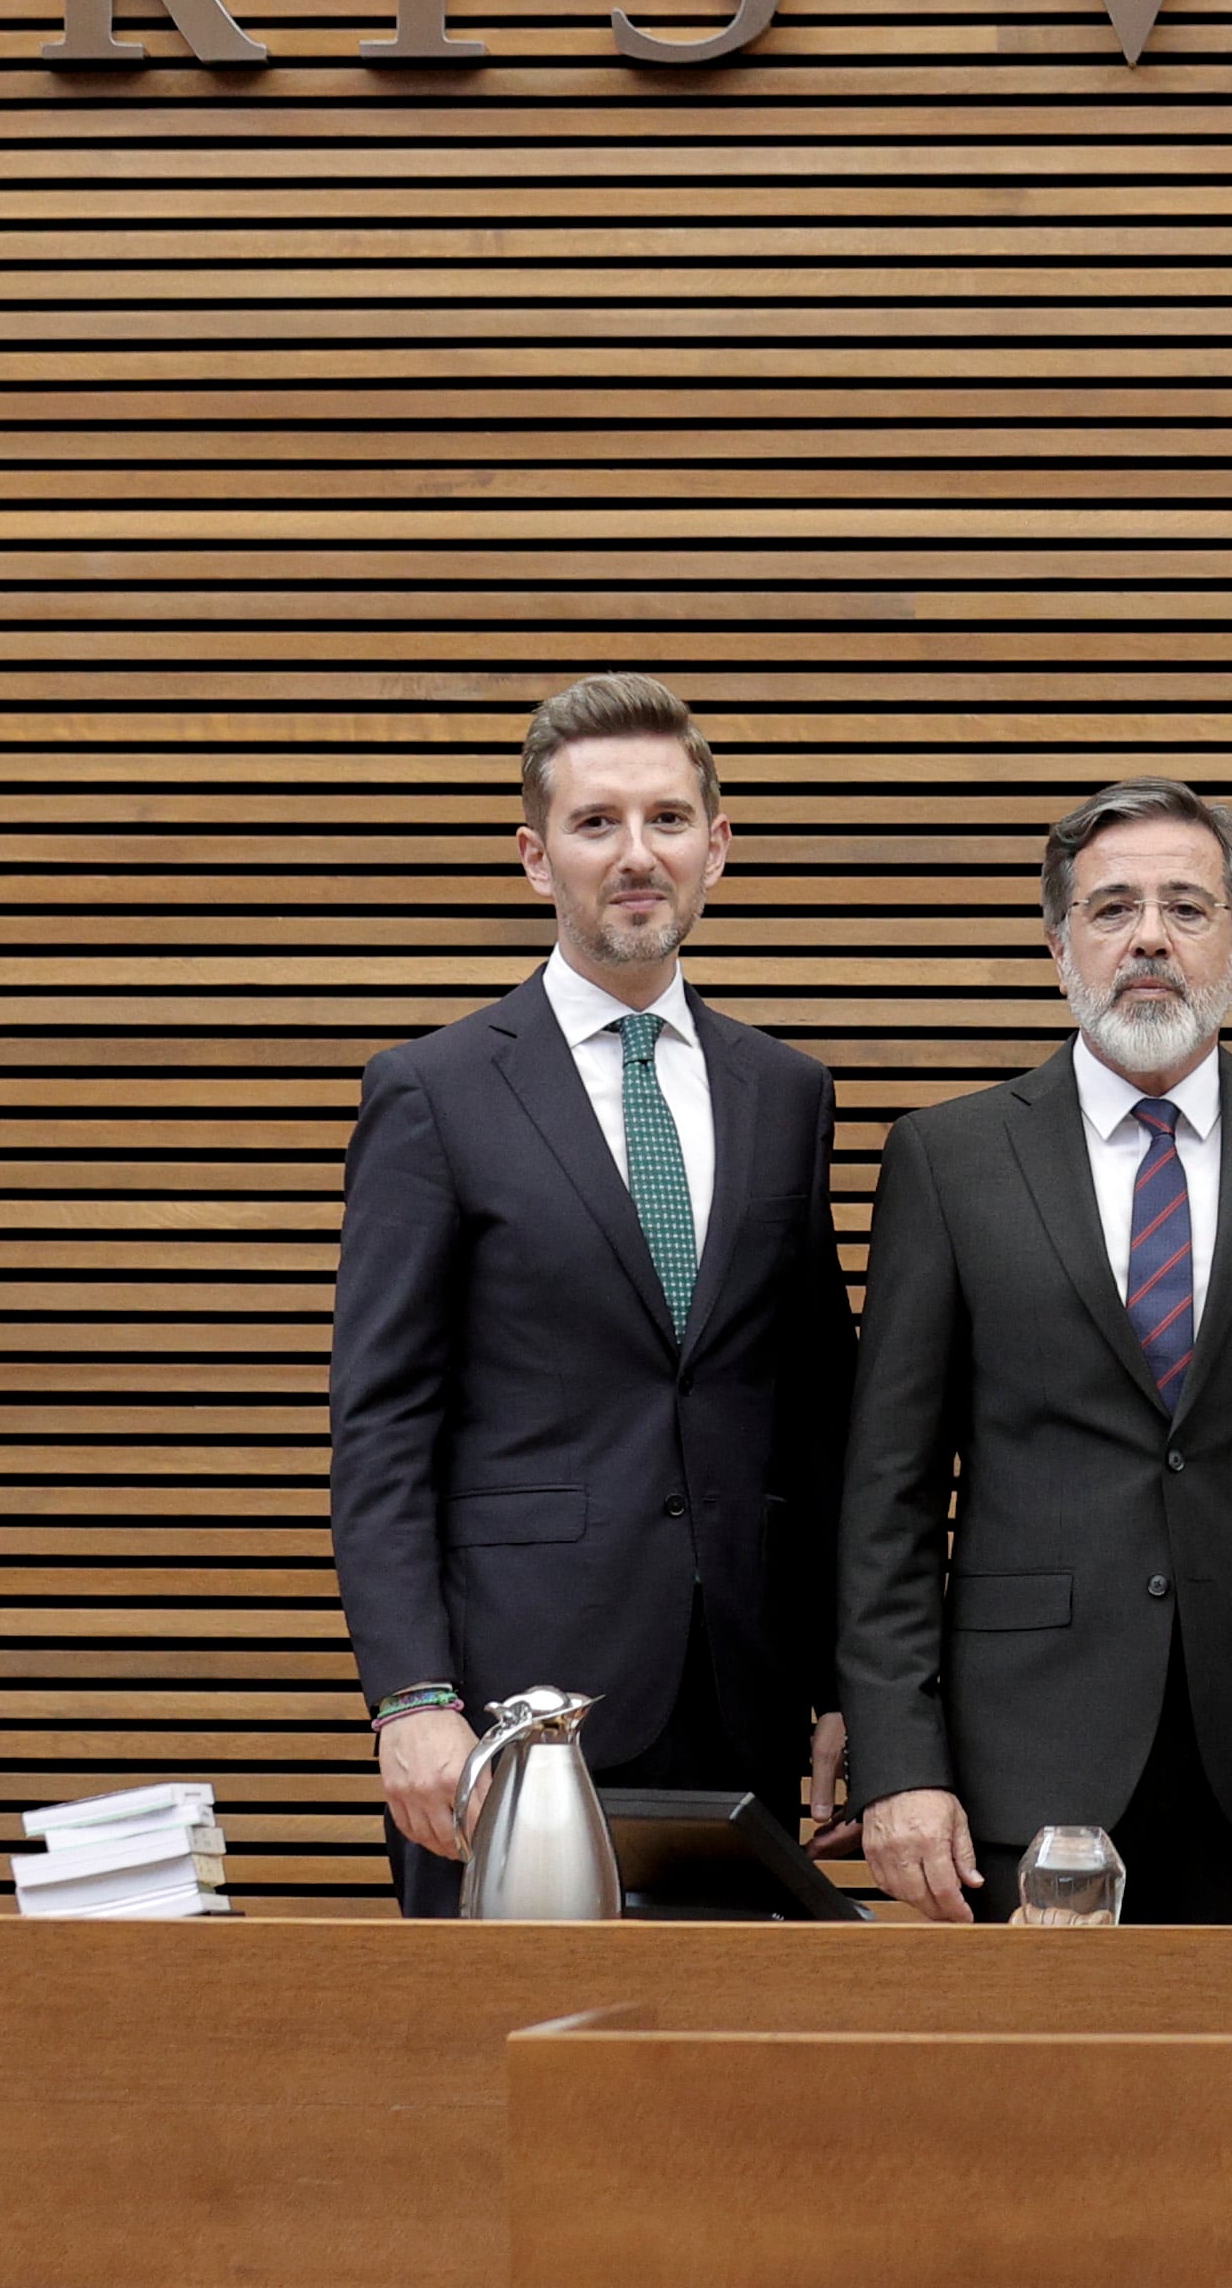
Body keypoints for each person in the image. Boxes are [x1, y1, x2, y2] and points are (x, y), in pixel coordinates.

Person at [839, 779, 1232, 1921]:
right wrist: (900, 1764)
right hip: (1026, 1751)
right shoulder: (949, 1158)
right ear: (1059, 941)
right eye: (1112, 906)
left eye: (1187, 906)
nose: (1150, 938)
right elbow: (890, 1500)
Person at [327, 673, 857, 1915]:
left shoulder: (785, 1093)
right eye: (596, 822)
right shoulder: (436, 1090)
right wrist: (411, 1698)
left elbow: (818, 1417)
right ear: (534, 854)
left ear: (717, 847)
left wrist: (845, 1688)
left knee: (722, 2083)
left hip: (744, 1703)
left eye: (668, 820)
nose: (636, 855)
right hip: (513, 1721)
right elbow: (383, 1425)